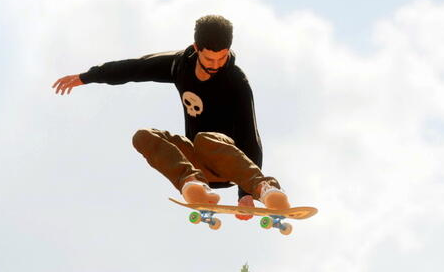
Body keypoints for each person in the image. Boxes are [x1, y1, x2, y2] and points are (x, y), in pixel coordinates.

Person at [52, 14, 291, 214]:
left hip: (233, 164)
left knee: (205, 139)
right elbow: (136, 67)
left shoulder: (236, 82)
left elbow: (251, 135)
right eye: (209, 58)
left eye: (222, 57)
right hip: (199, 163)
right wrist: (88, 77)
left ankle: (266, 190)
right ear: (197, 48)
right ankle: (192, 184)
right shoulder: (180, 65)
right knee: (144, 136)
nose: (216, 64)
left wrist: (246, 194)